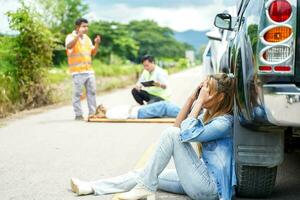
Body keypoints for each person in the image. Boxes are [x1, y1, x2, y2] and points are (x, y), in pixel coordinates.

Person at [70, 73, 236, 200]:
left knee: (166, 145)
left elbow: (184, 133)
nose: (202, 93)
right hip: (198, 178)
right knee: (144, 173)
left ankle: (145, 187)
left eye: (207, 90)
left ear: (220, 97)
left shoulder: (224, 123)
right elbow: (176, 128)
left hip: (211, 188)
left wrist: (199, 102)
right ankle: (91, 187)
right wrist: (191, 98)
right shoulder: (209, 117)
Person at [65, 18, 101, 120]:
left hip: (89, 71)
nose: (86, 28)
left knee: (92, 92)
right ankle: (78, 114)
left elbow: (93, 52)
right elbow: (68, 46)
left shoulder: (87, 39)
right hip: (77, 72)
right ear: (77, 27)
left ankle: (92, 114)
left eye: (87, 26)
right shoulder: (70, 37)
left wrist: (97, 43)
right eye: (84, 26)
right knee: (77, 94)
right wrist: (77, 36)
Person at [94, 101, 180, 119]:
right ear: (102, 109)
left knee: (164, 105)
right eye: (103, 106)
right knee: (163, 106)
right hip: (138, 112)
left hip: (139, 110)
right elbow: (123, 116)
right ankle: (185, 113)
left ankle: (185, 112)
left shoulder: (111, 111)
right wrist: (130, 109)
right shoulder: (110, 114)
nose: (106, 105)